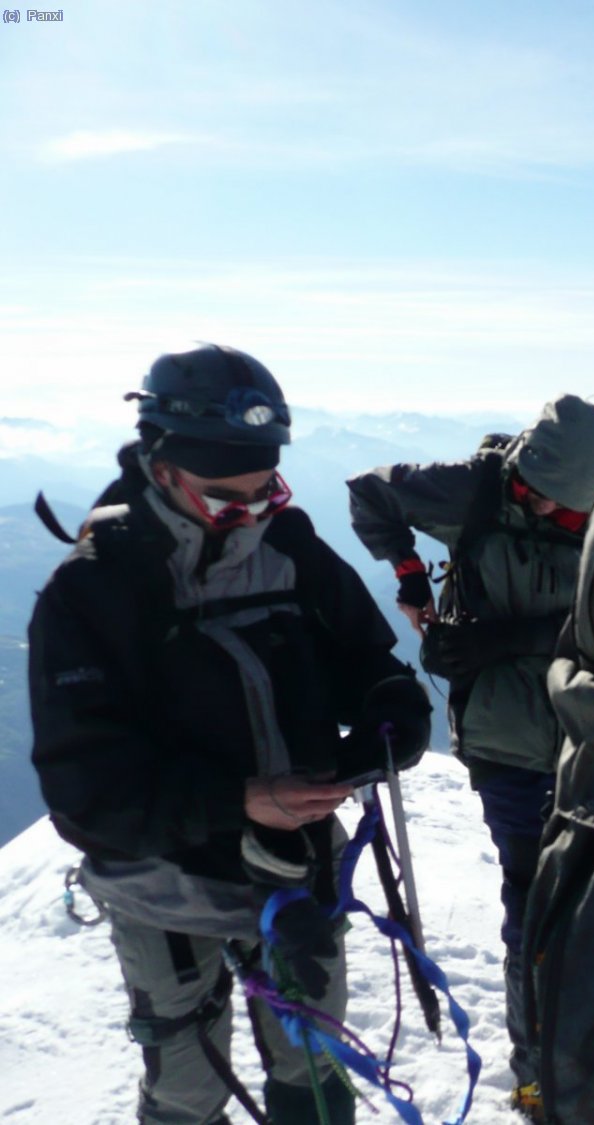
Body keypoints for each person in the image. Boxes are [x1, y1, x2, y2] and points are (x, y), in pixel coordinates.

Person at [28, 343, 431, 1125]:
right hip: (163, 881)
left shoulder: (289, 546)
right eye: (224, 498)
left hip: (293, 864)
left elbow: (368, 661)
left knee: (315, 1065)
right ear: (162, 464)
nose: (249, 513)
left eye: (265, 489)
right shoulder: (93, 589)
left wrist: (391, 719)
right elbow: (87, 791)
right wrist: (241, 799)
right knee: (186, 1085)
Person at [346, 392, 594, 1113]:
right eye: (534, 497)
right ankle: (537, 1068)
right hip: (505, 740)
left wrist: (508, 639)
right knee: (530, 898)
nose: (544, 513)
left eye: (565, 511)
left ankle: (592, 1052)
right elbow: (370, 493)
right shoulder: (476, 486)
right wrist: (409, 574)